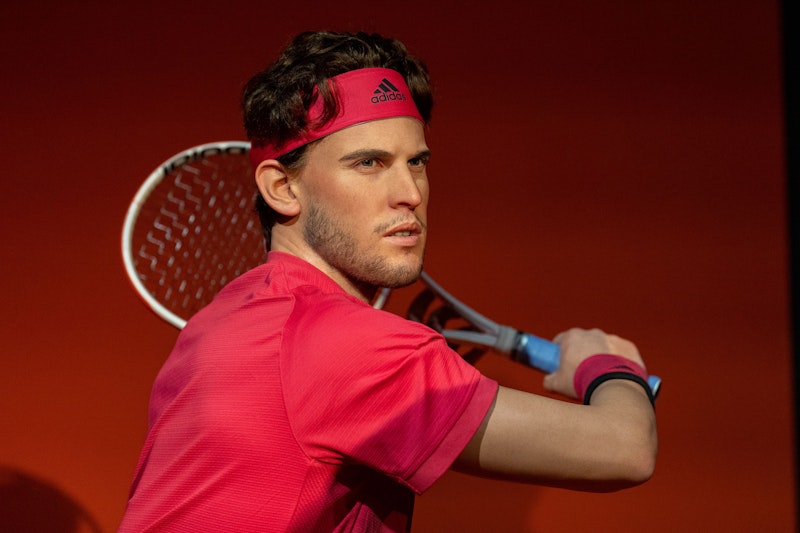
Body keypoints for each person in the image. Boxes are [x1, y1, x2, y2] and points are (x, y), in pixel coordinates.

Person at [118, 30, 657, 532]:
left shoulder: (220, 323)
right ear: (282, 188)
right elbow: (624, 450)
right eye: (369, 163)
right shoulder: (348, 345)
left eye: (416, 162)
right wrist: (606, 366)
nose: (411, 194)